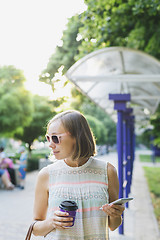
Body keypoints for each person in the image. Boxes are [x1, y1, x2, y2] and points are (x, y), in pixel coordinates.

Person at [32, 110, 125, 239]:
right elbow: (36, 230)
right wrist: (51, 222)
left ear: (77, 136)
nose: (50, 144)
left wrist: (115, 214)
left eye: (55, 138)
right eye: (48, 138)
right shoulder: (46, 174)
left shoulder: (107, 171)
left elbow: (113, 225)